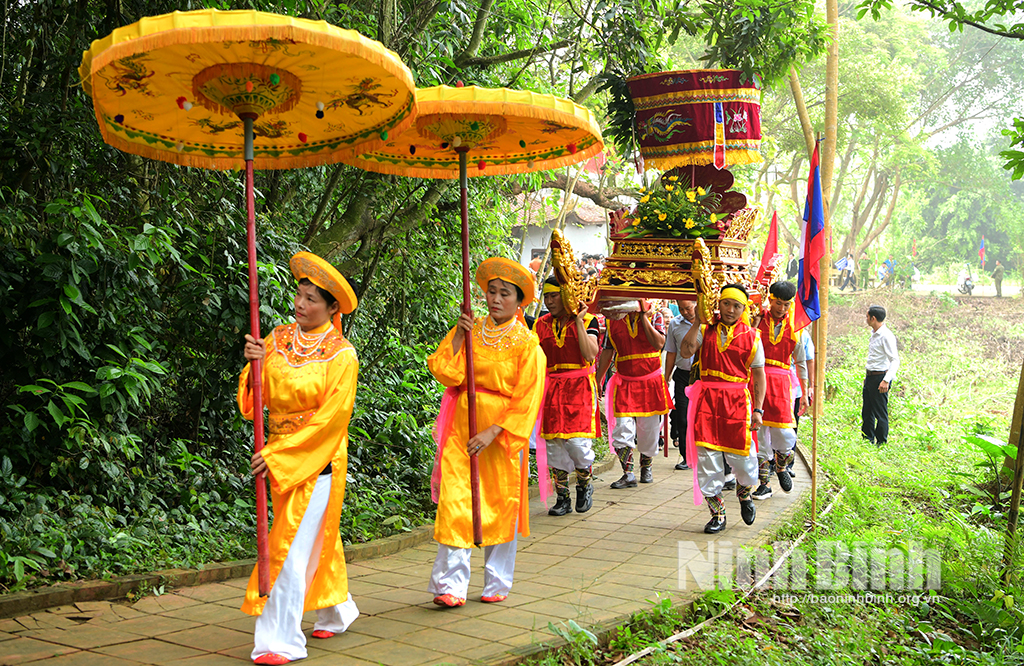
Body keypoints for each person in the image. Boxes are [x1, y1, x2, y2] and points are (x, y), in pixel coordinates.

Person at [238, 252, 361, 665]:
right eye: (299, 294)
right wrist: (254, 365)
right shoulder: (275, 339)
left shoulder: (342, 356)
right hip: (276, 452)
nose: (300, 304)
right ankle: (335, 605)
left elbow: (331, 421)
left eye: (311, 299)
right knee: (311, 537)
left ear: (332, 309)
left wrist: (281, 454)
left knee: (288, 546)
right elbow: (258, 401)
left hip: (316, 458)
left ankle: (279, 641)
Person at [426, 258, 545, 607]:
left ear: (519, 301)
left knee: (500, 503)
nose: (495, 299)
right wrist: (461, 338)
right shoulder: (471, 330)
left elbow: (528, 398)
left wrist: (494, 432)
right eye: (491, 291)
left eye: (504, 294)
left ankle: (497, 580)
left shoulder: (528, 344)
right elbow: (446, 371)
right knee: (455, 500)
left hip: (502, 434)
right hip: (462, 424)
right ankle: (450, 585)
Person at [677, 284, 766, 534]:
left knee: (744, 461)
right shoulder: (706, 330)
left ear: (744, 309)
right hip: (707, 401)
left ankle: (745, 493)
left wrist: (758, 410)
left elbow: (759, 377)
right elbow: (686, 351)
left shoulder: (752, 337)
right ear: (719, 304)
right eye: (726, 303)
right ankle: (718, 514)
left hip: (737, 401)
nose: (730, 309)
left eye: (737, 305)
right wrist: (697, 320)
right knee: (708, 459)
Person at [534, 276, 601, 516]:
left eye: (554, 296)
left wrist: (579, 322)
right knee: (554, 445)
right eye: (546, 297)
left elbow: (590, 353)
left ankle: (584, 483)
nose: (549, 301)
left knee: (576, 443)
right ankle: (562, 496)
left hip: (579, 386)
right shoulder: (540, 324)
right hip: (551, 388)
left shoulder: (590, 320)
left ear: (565, 296)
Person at [595, 301, 673, 488]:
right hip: (625, 381)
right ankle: (628, 473)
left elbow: (659, 344)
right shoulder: (613, 319)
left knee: (649, 431)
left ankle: (646, 465)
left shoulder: (656, 316)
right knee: (622, 429)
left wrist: (644, 317)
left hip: (650, 382)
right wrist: (598, 378)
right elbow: (608, 350)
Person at [750, 282, 808, 501]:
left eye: (786, 305)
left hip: (782, 384)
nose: (781, 308)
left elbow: (800, 362)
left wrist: (804, 392)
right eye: (777, 303)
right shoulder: (755, 320)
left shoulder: (795, 327)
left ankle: (782, 466)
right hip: (757, 381)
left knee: (784, 434)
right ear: (770, 299)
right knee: (760, 436)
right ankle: (764, 484)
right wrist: (753, 326)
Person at [663, 300, 698, 471]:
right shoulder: (675, 324)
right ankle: (687, 456)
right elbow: (671, 351)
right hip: (683, 376)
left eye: (688, 308)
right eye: (682, 309)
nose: (685, 312)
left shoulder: (710, 322)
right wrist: (666, 377)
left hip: (703, 377)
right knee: (683, 417)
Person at [863, 305, 899, 446]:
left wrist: (886, 380)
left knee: (880, 412)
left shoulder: (886, 336)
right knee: (867, 411)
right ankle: (868, 439)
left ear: (873, 318)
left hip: (880, 378)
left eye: (867, 316)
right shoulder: (874, 333)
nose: (866, 319)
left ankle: (881, 442)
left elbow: (894, 360)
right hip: (871, 376)